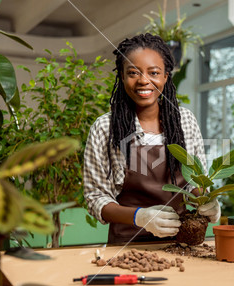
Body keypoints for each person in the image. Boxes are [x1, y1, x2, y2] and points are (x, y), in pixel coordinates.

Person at [83, 33, 220, 244]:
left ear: (166, 75)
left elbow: (194, 178)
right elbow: (95, 198)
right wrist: (140, 217)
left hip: (180, 242)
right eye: (133, 73)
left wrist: (207, 200)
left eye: (153, 72)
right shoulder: (105, 128)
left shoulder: (185, 122)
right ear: (121, 75)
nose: (143, 81)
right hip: (126, 246)